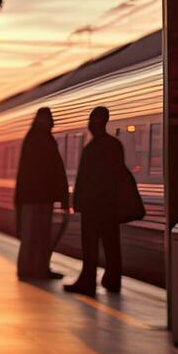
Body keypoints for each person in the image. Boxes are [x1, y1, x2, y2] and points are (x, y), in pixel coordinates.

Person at [64, 106, 127, 295]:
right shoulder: (115, 146)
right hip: (109, 205)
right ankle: (113, 280)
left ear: (97, 122)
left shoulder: (91, 149)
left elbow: (84, 179)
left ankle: (88, 280)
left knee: (90, 245)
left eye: (91, 119)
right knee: (111, 243)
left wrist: (76, 202)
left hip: (92, 206)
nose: (89, 123)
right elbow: (120, 176)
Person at [13, 107, 69, 280]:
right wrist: (62, 196)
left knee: (32, 236)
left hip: (32, 197)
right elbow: (55, 170)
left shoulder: (33, 138)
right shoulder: (43, 140)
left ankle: (29, 269)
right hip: (40, 197)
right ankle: (37, 269)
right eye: (48, 118)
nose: (51, 122)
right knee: (39, 236)